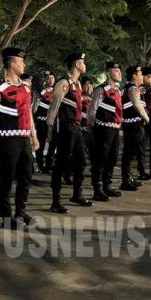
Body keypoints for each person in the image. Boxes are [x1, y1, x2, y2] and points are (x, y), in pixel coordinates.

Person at [0, 47, 38, 228]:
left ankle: (20, 212)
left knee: (26, 176)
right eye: (21, 62)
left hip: (24, 140)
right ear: (12, 64)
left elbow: (28, 113)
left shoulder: (25, 88)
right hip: (7, 141)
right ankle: (6, 218)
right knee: (6, 179)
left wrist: (33, 136)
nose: (24, 65)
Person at [46, 52, 93, 213]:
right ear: (76, 64)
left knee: (81, 161)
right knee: (61, 163)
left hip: (76, 127)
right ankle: (55, 201)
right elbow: (54, 106)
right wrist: (50, 128)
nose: (85, 65)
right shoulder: (64, 83)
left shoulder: (78, 84)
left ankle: (77, 194)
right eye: (82, 62)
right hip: (65, 127)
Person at [87, 61, 124, 200]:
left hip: (114, 130)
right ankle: (97, 189)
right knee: (100, 159)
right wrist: (95, 128)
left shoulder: (117, 90)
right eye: (116, 70)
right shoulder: (101, 90)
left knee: (112, 158)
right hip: (103, 129)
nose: (119, 72)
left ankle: (107, 186)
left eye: (119, 70)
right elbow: (92, 111)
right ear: (108, 73)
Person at [119, 65, 150, 191]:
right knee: (129, 152)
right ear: (134, 75)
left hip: (135, 124)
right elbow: (137, 104)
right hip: (132, 125)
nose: (142, 76)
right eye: (140, 74)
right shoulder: (132, 88)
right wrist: (146, 117)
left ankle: (129, 178)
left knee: (132, 152)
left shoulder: (135, 88)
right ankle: (126, 180)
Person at [32, 71, 56, 173]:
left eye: (52, 78)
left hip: (53, 121)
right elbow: (34, 108)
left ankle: (49, 164)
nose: (50, 80)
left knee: (53, 143)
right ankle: (40, 164)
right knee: (41, 143)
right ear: (45, 80)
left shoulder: (56, 91)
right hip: (41, 120)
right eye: (48, 78)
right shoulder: (40, 92)